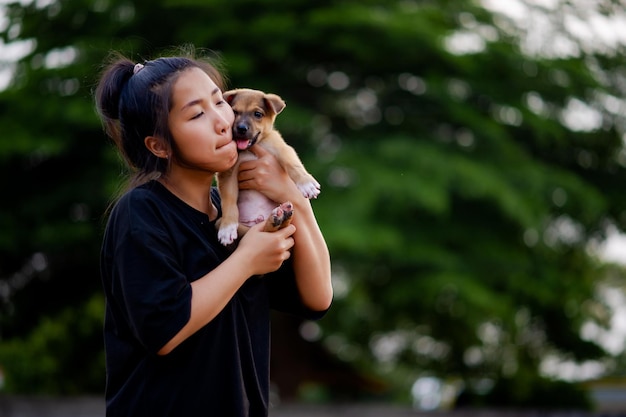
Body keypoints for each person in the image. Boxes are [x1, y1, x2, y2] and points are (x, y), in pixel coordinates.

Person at [94, 48, 333, 417]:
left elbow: (317, 298)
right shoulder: (142, 212)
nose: (225, 121)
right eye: (197, 114)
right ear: (158, 145)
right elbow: (164, 330)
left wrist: (294, 199)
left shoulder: (233, 216)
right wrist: (245, 261)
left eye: (219, 101)